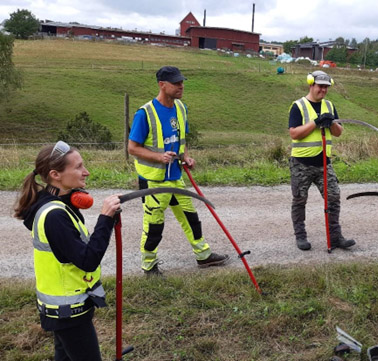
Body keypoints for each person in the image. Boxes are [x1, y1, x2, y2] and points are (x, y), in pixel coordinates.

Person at [14, 141, 121, 361]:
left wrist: (73, 199)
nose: (86, 172)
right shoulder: (54, 216)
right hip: (68, 311)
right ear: (55, 174)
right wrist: (105, 219)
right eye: (78, 167)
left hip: (62, 306)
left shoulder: (54, 203)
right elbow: (88, 259)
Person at [128, 66, 228, 275]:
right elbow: (132, 148)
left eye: (182, 82)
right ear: (162, 85)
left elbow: (180, 140)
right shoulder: (145, 113)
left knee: (190, 217)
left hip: (175, 176)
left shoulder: (181, 108)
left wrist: (185, 157)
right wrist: (158, 157)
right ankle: (149, 265)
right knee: (154, 225)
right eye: (176, 83)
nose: (181, 86)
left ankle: (203, 256)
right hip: (154, 181)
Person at [288, 70, 355, 251]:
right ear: (311, 84)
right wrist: (316, 122)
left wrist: (331, 122)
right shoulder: (299, 106)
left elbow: (339, 132)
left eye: (326, 87)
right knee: (300, 200)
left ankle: (335, 237)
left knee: (333, 197)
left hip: (324, 163)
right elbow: (294, 133)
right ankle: (300, 236)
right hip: (301, 164)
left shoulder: (330, 106)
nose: (323, 90)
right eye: (320, 87)